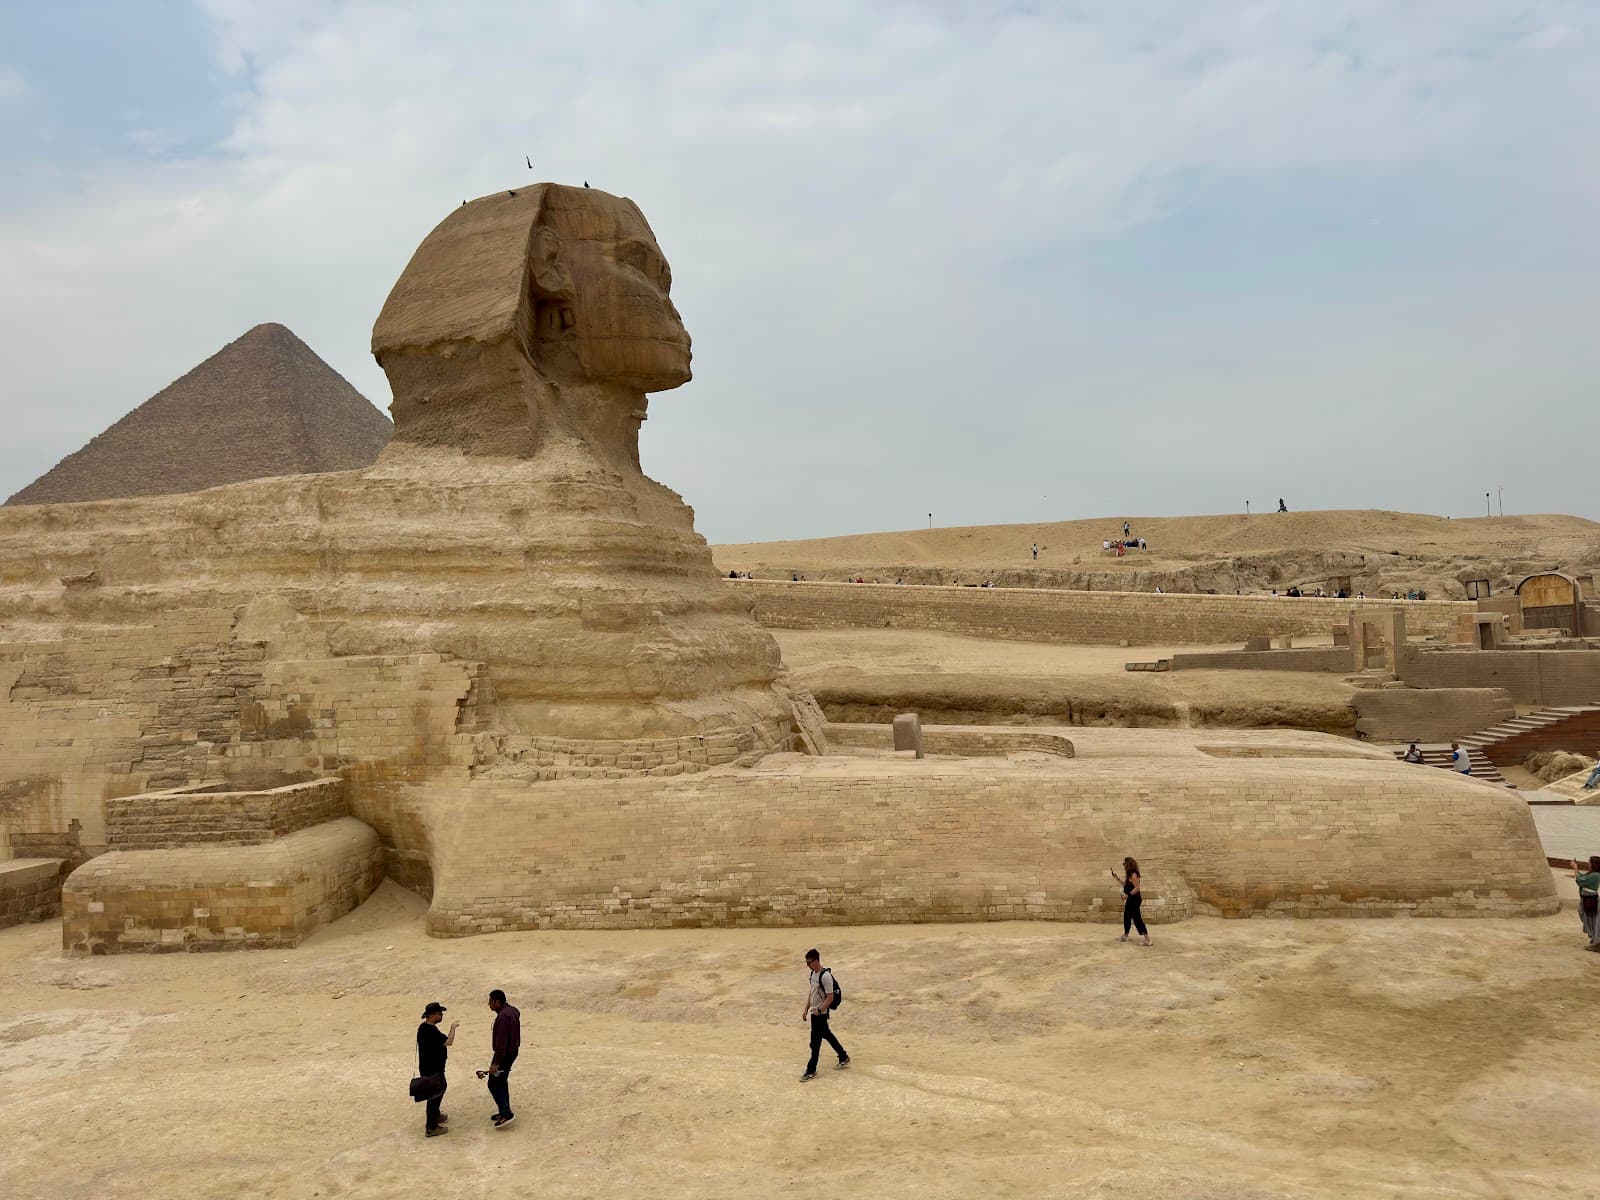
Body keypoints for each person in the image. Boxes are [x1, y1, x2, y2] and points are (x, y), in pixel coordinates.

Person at [800, 948, 849, 1080]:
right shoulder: (813, 974)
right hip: (814, 1013)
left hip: (820, 1014)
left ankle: (811, 1070)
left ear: (816, 961)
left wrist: (819, 1010)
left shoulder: (825, 976)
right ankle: (843, 1056)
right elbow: (812, 993)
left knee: (815, 1043)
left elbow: (830, 997)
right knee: (827, 1035)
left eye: (809, 962)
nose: (808, 965)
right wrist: (806, 1009)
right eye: (806, 962)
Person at [478, 989, 521, 1128]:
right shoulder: (513, 1011)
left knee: (494, 1083)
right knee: (501, 1081)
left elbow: (501, 1043)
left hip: (503, 1056)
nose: (489, 1004)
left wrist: (496, 1063)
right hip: (512, 1052)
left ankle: (506, 1113)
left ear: (497, 1002)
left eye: (490, 1001)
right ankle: (504, 1110)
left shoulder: (502, 1017)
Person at [417, 1002, 457, 1137]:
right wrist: (453, 1028)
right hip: (433, 1069)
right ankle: (431, 1127)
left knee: (439, 1090)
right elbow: (449, 1042)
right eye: (440, 1013)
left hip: (430, 1067)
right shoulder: (431, 1031)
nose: (442, 1015)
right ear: (433, 1015)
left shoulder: (423, 1028)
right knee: (434, 1095)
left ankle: (436, 1115)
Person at [1110, 858, 1151, 946]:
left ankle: (1148, 940)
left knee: (1137, 919)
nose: (1124, 865)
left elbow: (1137, 888)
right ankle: (1125, 936)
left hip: (1135, 900)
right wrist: (1117, 878)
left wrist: (1127, 895)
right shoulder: (1129, 875)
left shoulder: (1134, 875)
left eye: (1124, 864)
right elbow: (1126, 886)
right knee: (1127, 917)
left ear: (1128, 865)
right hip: (1131, 900)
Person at [1575, 856, 1600, 951]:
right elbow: (1582, 877)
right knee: (1589, 918)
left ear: (1594, 864)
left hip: (1590, 900)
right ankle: (1595, 940)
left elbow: (1580, 881)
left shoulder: (1595, 875)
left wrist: (1575, 868)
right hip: (1586, 899)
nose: (1588, 864)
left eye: (1589, 862)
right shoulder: (1592, 874)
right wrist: (1576, 869)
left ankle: (1596, 942)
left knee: (1593, 920)